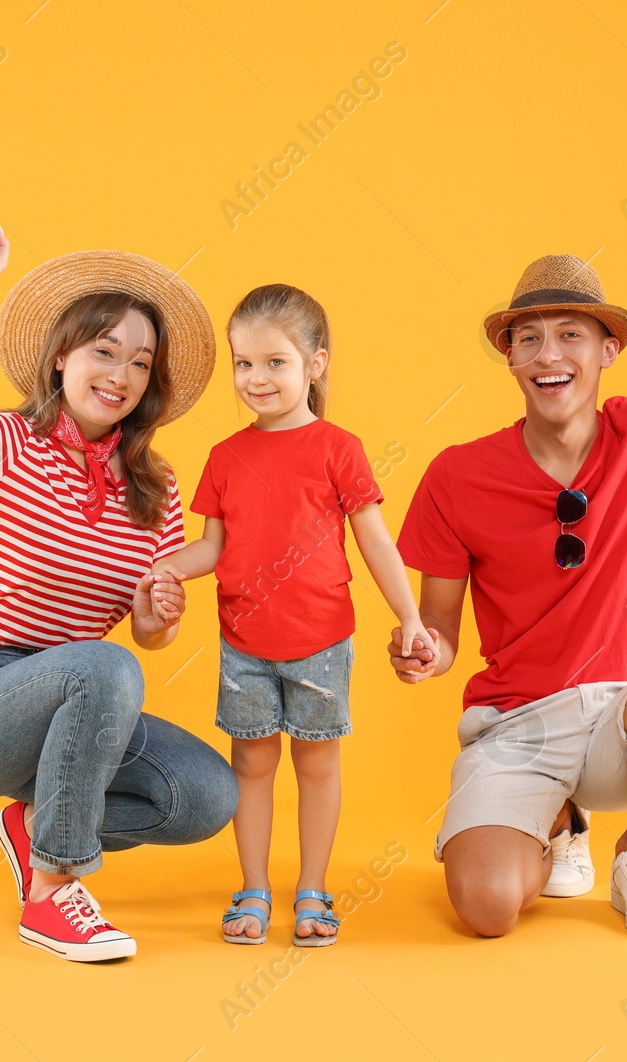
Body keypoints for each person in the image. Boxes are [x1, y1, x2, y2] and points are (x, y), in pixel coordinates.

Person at [390, 118, 627, 938]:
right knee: (488, 908)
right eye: (527, 338)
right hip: (518, 723)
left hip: (624, 720)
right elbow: (440, 626)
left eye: (571, 333)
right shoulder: (457, 473)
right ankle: (556, 823)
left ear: (608, 350)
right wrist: (419, 646)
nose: (548, 353)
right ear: (510, 359)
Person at [0, 231, 238, 963]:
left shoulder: (157, 490)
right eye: (105, 351)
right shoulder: (6, 442)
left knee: (207, 793)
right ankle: (52, 891)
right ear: (62, 356)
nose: (122, 375)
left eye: (141, 362)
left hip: (78, 714)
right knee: (103, 668)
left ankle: (38, 826)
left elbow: (148, 634)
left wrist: (153, 619)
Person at [150, 284, 436, 947]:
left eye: (274, 361)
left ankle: (313, 889)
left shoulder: (339, 448)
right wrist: (162, 567)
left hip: (320, 641)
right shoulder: (224, 456)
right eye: (243, 363)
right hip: (244, 642)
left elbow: (375, 541)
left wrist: (411, 617)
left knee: (317, 766)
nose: (255, 378)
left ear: (316, 363)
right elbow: (212, 547)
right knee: (250, 767)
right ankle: (252, 887)